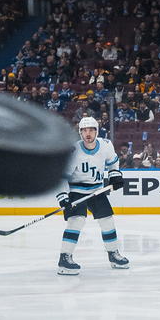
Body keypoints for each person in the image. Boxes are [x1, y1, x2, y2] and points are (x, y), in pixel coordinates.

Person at [57, 116, 129, 275]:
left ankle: (113, 255)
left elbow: (112, 162)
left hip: (97, 190)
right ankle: (64, 258)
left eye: (91, 130)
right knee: (76, 221)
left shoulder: (106, 145)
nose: (88, 134)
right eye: (84, 131)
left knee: (107, 221)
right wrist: (63, 197)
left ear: (97, 131)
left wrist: (115, 175)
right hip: (76, 190)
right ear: (80, 133)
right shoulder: (74, 150)